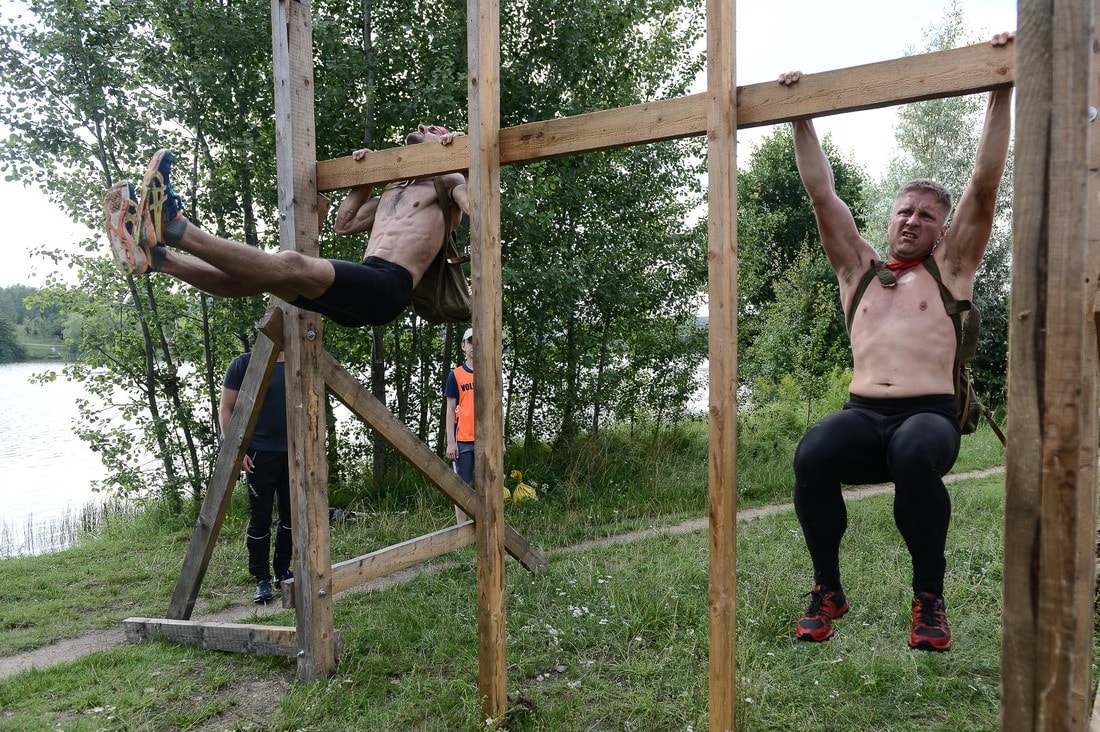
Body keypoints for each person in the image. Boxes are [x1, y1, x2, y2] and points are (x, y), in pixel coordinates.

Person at [778, 31, 1014, 653]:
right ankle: (828, 589)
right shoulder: (857, 270)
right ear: (891, 218)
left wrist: (1001, 86)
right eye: (904, 211)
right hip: (864, 415)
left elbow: (984, 184)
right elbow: (822, 193)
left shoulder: (950, 270)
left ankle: (928, 599)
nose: (912, 220)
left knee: (912, 453)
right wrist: (800, 116)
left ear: (943, 231)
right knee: (813, 452)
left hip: (928, 418)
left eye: (926, 216)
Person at [102, 124, 471, 328]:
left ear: (446, 140)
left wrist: (465, 163)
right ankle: (159, 259)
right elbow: (345, 224)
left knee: (289, 263)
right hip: (366, 284)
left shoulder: (448, 182)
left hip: (391, 287)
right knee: (265, 278)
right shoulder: (395, 188)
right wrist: (365, 179)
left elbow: (477, 209)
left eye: (432, 128)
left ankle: (172, 226)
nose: (421, 127)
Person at [219, 349, 292, 604]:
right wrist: (237, 450)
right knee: (260, 518)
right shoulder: (244, 364)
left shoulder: (299, 357)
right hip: (259, 454)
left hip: (295, 453)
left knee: (291, 517)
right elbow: (226, 409)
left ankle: (282, 572)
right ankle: (261, 579)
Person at [444, 327, 475, 524]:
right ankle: (462, 528)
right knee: (462, 486)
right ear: (463, 345)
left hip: (486, 439)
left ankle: (483, 525)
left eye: (477, 341)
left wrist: (501, 439)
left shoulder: (488, 372)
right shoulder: (455, 375)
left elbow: (498, 407)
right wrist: (451, 442)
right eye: (470, 342)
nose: (473, 346)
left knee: (488, 484)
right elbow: (450, 410)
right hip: (463, 439)